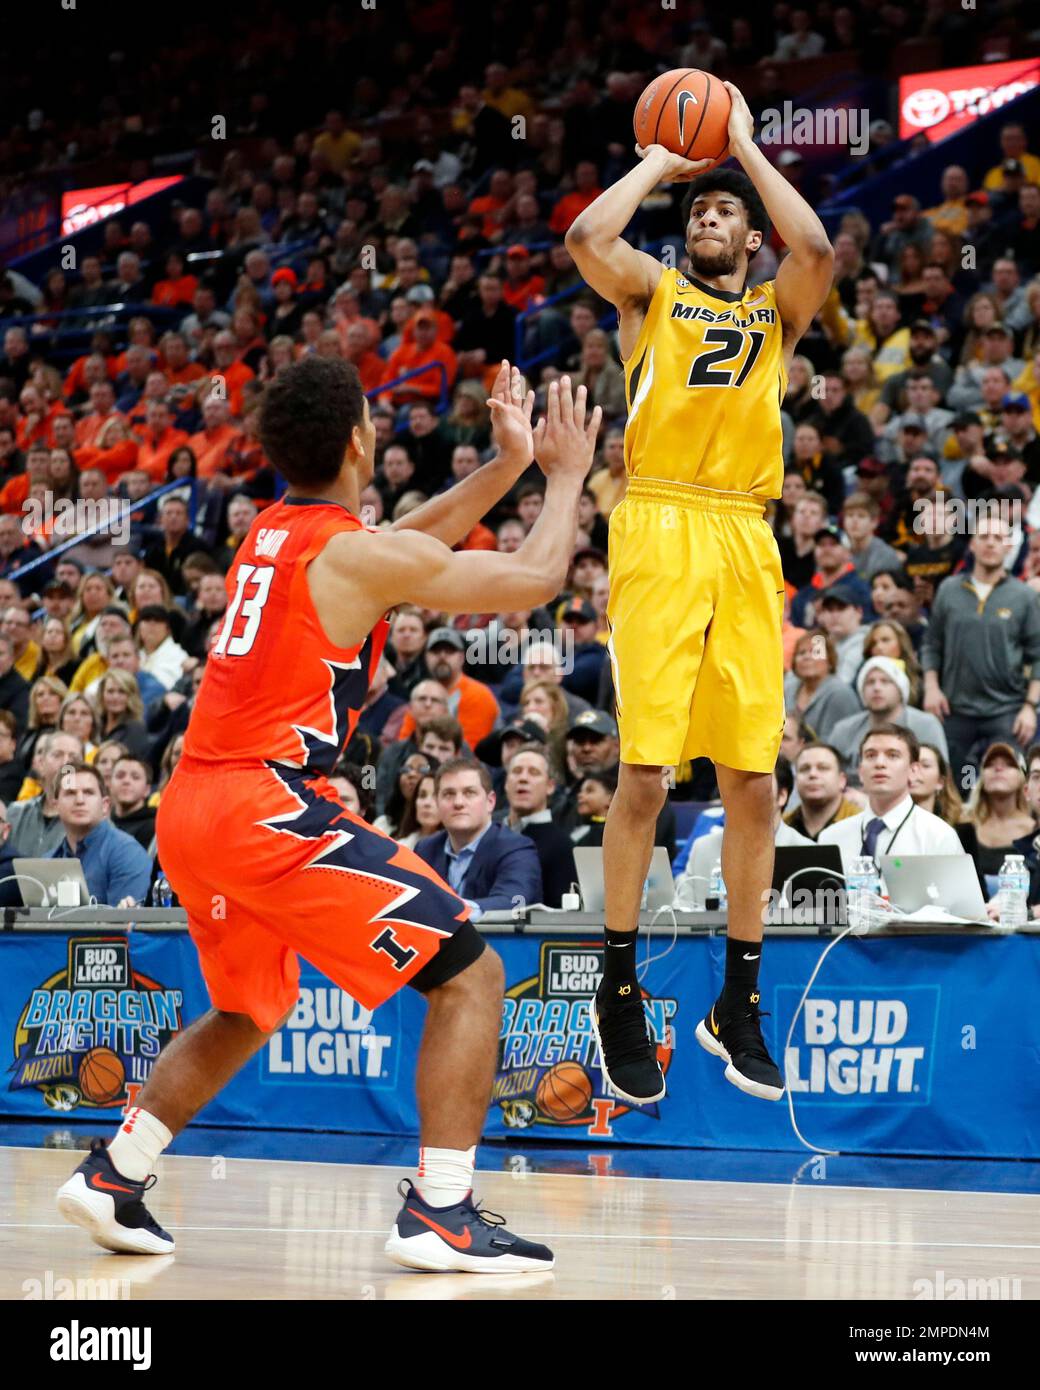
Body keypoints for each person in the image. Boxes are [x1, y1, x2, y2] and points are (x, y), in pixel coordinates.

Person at [60, 356, 599, 1273]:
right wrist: (566, 475)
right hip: (264, 805)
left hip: (190, 804)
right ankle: (441, 1209)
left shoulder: (273, 533)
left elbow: (401, 548)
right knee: (471, 974)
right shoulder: (350, 550)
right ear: (360, 438)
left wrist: (504, 468)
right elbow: (535, 578)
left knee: (247, 1006)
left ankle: (119, 1171)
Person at [566, 77, 836, 1106]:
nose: (711, 215)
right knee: (642, 777)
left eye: (725, 209)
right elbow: (588, 237)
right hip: (659, 523)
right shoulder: (650, 295)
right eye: (700, 212)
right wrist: (663, 162)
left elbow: (815, 252)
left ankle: (736, 997)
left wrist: (745, 150)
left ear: (748, 236)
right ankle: (618, 986)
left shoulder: (775, 309)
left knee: (753, 784)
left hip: (744, 536)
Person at [922, 518, 1040, 786]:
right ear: (972, 544)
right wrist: (931, 687)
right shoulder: (949, 589)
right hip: (954, 707)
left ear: (1008, 547)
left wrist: (1030, 707)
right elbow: (932, 643)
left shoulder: (1023, 597)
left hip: (1006, 710)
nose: (990, 543)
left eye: (998, 538)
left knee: (1007, 785)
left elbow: (1038, 655)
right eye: (984, 536)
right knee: (957, 786)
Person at [818, 725, 965, 875]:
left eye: (892, 755)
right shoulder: (831, 838)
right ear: (860, 772)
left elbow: (958, 898)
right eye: (870, 755)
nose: (880, 763)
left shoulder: (938, 836)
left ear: (913, 771)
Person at [674, 754, 811, 908]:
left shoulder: (809, 852)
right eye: (738, 782)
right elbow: (683, 916)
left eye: (756, 780)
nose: (745, 791)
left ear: (782, 796)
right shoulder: (703, 849)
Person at [415, 758, 542, 920]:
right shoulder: (425, 850)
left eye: (469, 793)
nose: (459, 802)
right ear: (437, 803)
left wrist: (448, 910)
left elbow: (513, 902)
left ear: (490, 802)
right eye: (448, 794)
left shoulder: (517, 848)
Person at [46, 762, 151, 906]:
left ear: (105, 805)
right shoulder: (48, 860)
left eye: (88, 792)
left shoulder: (127, 853)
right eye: (70, 793)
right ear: (56, 806)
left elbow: (124, 924)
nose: (80, 800)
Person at [829, 655, 947, 769]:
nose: (876, 688)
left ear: (901, 690)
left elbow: (939, 772)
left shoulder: (925, 725)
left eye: (885, 681)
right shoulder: (843, 730)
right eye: (870, 682)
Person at [956, 742, 1037, 899]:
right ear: (982, 778)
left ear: (1023, 779)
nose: (998, 769)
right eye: (990, 765)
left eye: (1008, 765)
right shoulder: (963, 829)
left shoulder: (1036, 831)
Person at [502, 742, 577, 907]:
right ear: (506, 783)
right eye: (516, 771)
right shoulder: (488, 835)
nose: (523, 778)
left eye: (534, 772)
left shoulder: (562, 847)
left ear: (550, 786)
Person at [7, 731, 85, 856]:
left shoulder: (92, 819)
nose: (65, 763)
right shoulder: (15, 814)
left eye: (73, 757)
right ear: (41, 764)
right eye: (57, 755)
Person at [784, 630, 861, 741]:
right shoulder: (788, 688)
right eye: (801, 653)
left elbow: (836, 742)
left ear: (830, 660)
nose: (807, 657)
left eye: (816, 652)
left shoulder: (840, 693)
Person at [784, 743, 861, 840]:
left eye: (823, 768)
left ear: (842, 780)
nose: (812, 774)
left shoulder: (862, 824)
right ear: (795, 780)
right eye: (804, 769)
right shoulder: (782, 825)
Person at [909, 743, 962, 825]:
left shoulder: (961, 828)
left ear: (940, 782)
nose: (915, 770)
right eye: (910, 765)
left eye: (925, 765)